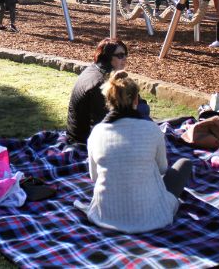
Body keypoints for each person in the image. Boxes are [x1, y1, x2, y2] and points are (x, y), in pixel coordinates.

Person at [75, 70, 191, 234]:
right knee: (184, 164)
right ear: (136, 100)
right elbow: (162, 170)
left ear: (109, 100)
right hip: (152, 217)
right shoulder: (151, 129)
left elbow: (94, 177)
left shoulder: (96, 133)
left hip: (105, 215)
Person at [66, 38, 150, 147]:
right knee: (143, 111)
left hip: (77, 134)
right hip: (85, 139)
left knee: (142, 109)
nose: (125, 59)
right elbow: (104, 121)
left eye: (125, 55)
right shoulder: (103, 84)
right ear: (107, 56)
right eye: (120, 56)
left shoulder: (93, 69)